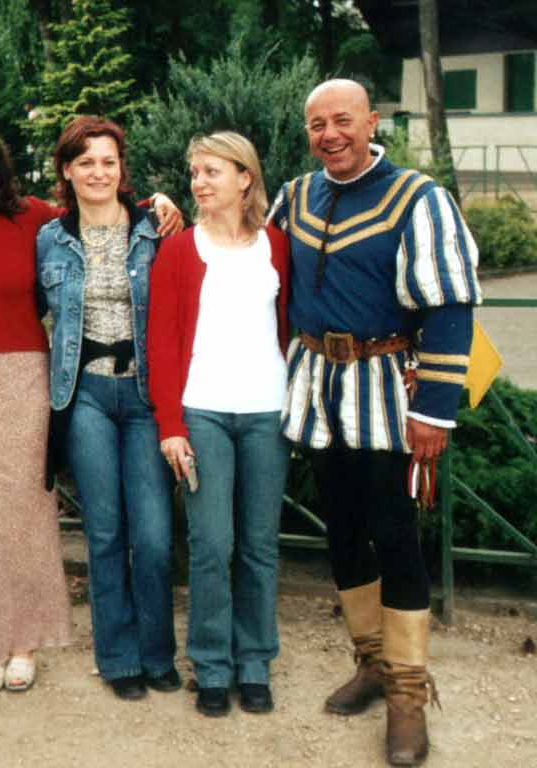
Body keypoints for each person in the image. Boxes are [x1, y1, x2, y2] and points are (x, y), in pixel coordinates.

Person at [0, 118, 182, 694]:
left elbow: (106, 204)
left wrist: (161, 201)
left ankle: (57, 643)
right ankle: (4, 643)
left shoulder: (33, 220)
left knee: (41, 519)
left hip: (35, 382)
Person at [268, 79, 480, 766]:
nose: (330, 135)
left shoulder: (418, 199)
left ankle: (408, 696)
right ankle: (372, 663)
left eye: (343, 120)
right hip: (319, 389)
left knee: (395, 538)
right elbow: (246, 249)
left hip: (388, 391)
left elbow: (449, 307)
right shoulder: (296, 196)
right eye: (316, 124)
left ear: (372, 122)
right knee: (342, 532)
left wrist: (434, 410)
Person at [148, 131, 290, 717]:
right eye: (195, 173)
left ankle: (253, 662)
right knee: (210, 545)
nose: (200, 183)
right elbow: (162, 341)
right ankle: (210, 665)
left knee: (258, 545)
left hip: (267, 413)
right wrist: (171, 425)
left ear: (245, 178)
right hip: (202, 412)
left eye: (212, 171)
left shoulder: (277, 246)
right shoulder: (179, 250)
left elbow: (292, 324)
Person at [36, 116, 178, 701]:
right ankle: (118, 658)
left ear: (122, 169)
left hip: (145, 395)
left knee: (154, 535)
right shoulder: (49, 238)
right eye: (86, 162)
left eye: (108, 161)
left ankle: (157, 652)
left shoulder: (155, 229)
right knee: (104, 531)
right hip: (86, 394)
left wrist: (166, 201)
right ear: (67, 170)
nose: (98, 172)